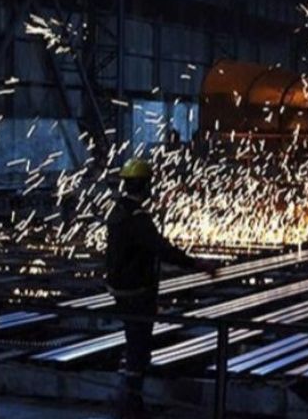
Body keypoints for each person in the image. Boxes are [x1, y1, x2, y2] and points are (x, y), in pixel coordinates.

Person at [105, 157, 217, 419]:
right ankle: (130, 406)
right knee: (139, 348)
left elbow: (132, 249)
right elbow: (160, 248)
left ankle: (129, 401)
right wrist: (197, 263)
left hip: (120, 289)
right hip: (137, 293)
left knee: (134, 343)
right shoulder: (138, 217)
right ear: (145, 185)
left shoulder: (117, 211)